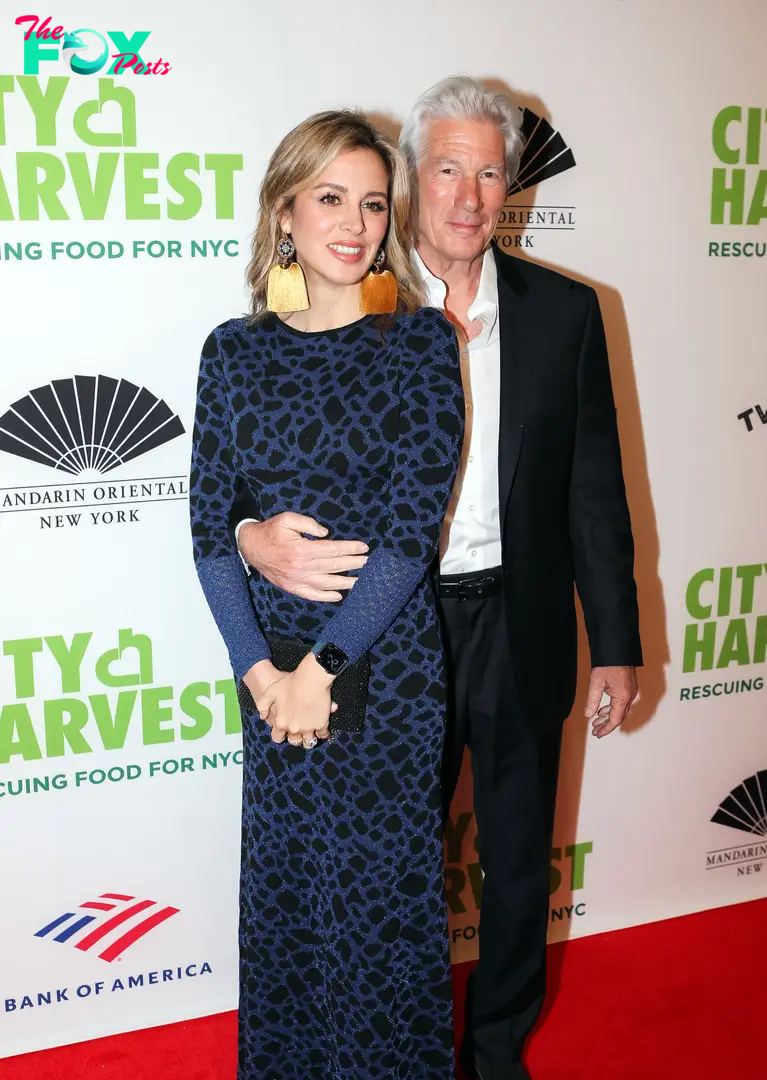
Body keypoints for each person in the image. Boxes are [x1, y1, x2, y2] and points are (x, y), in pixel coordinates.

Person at [233, 78, 642, 1080]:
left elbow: (597, 494)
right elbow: (252, 463)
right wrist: (248, 536)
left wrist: (619, 644)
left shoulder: (568, 314)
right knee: (383, 872)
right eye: (446, 168)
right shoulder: (355, 293)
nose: (466, 194)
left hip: (519, 620)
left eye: (489, 170)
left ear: (513, 187)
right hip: (383, 634)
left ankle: (494, 1056)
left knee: (513, 872)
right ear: (412, 180)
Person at [189, 109, 465, 1080]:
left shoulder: (420, 342)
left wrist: (321, 672)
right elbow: (208, 531)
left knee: (376, 924)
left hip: (381, 683)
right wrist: (261, 674)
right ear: (285, 216)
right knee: (287, 909)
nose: (354, 224)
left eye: (374, 203)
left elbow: (405, 537)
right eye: (329, 198)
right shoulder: (233, 350)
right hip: (269, 686)